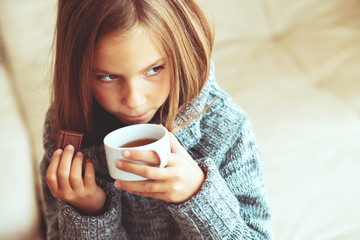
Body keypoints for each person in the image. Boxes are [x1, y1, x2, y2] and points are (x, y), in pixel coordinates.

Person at [40, 0, 273, 239]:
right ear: (76, 70)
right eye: (108, 76)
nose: (134, 100)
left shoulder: (226, 129)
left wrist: (198, 195)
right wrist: (89, 212)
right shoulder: (67, 137)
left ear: (185, 53)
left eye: (154, 69)